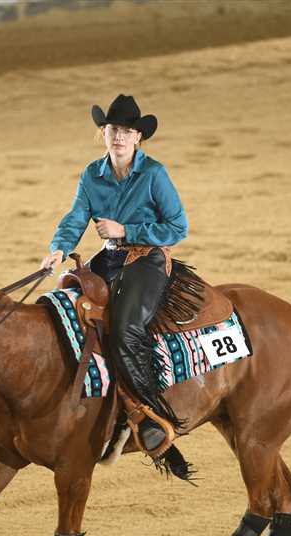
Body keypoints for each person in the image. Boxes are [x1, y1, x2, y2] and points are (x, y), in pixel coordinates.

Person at [41, 94, 188, 454]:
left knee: (126, 327)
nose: (118, 136)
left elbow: (178, 227)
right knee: (64, 306)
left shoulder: (154, 174)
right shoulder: (92, 174)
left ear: (138, 137)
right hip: (110, 258)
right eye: (112, 130)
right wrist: (59, 248)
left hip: (147, 258)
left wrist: (126, 231)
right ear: (103, 134)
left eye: (126, 131)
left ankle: (148, 414)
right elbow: (77, 216)